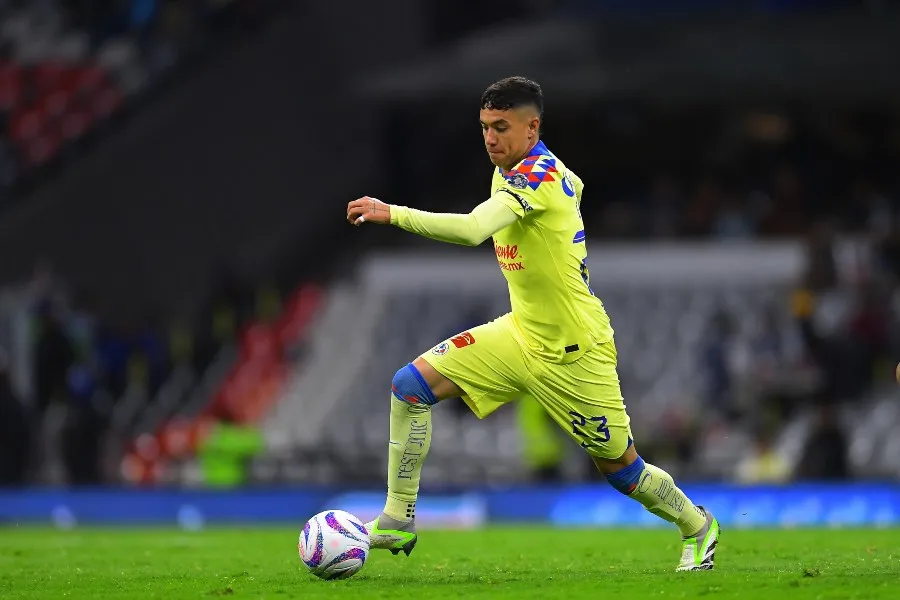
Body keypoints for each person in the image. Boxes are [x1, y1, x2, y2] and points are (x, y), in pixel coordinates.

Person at [346, 77, 719, 571]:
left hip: (574, 351)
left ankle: (698, 524)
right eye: (484, 128)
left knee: (621, 470)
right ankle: (396, 519)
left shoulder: (537, 178)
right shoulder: (508, 168)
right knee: (409, 386)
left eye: (501, 127)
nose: (490, 139)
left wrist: (393, 213)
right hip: (521, 333)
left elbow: (476, 229)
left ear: (532, 127)